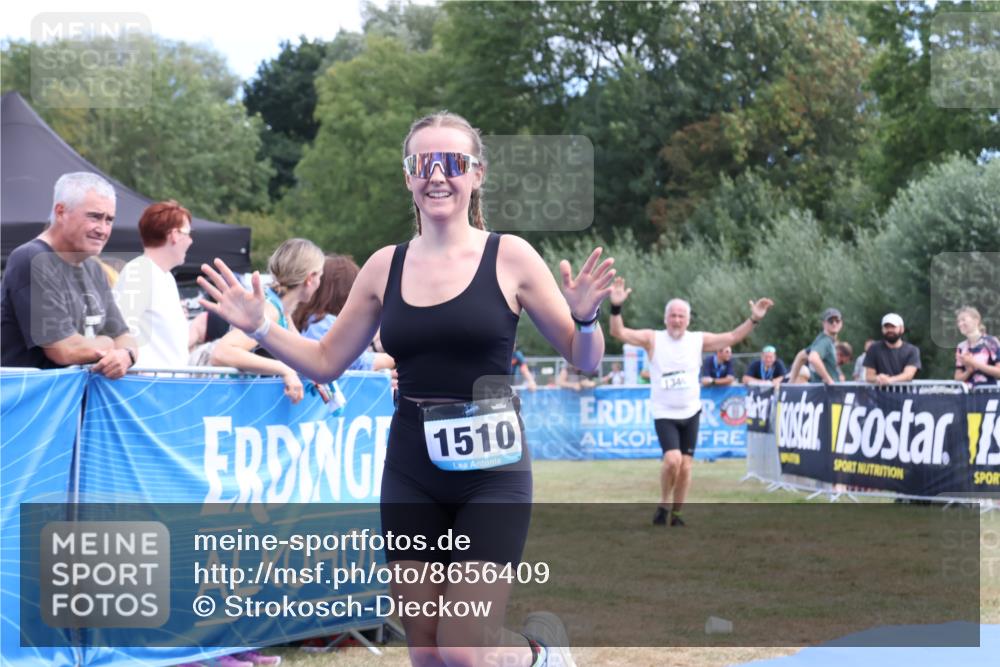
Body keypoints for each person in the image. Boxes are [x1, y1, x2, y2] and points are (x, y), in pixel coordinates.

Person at [198, 111, 615, 667]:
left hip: (492, 473)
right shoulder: (383, 266)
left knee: (461, 647)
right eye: (424, 163)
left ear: (477, 174)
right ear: (408, 176)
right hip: (412, 468)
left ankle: (540, 655)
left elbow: (584, 359)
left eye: (452, 162)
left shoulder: (510, 256)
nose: (437, 175)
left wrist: (585, 318)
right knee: (426, 650)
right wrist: (260, 328)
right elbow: (325, 362)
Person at [608, 278, 773, 527]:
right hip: (665, 412)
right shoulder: (653, 339)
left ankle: (676, 514)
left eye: (681, 316)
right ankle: (664, 503)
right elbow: (618, 332)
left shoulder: (697, 340)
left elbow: (731, 336)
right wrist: (616, 307)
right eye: (673, 316)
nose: (676, 320)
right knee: (672, 460)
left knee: (685, 466)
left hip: (691, 412)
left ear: (688, 320)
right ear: (665, 319)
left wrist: (754, 319)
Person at [0, 172, 136, 378]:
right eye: (94, 216)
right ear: (61, 212)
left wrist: (126, 355)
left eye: (109, 220)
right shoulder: (32, 259)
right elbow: (64, 350)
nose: (103, 229)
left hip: (76, 397)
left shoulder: (94, 269)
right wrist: (109, 345)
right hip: (35, 397)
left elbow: (124, 337)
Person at [209, 239, 325, 404]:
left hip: (246, 405)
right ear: (310, 278)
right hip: (236, 405)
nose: (320, 283)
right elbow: (221, 353)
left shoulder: (282, 310)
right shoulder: (270, 308)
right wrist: (285, 370)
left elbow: (301, 356)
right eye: (320, 276)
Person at [114, 201, 195, 369]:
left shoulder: (165, 277)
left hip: (164, 381)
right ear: (175, 235)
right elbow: (121, 333)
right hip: (145, 382)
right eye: (188, 234)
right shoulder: (139, 271)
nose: (190, 241)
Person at [292, 254, 394, 371]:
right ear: (345, 291)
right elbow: (360, 364)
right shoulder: (325, 323)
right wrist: (400, 354)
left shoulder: (309, 320)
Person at [864, 313, 920, 386]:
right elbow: (869, 376)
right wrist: (878, 378)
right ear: (882, 329)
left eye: (893, 327)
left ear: (902, 329)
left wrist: (890, 380)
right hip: (878, 392)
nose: (890, 330)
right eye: (886, 327)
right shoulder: (873, 349)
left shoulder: (912, 350)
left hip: (904, 392)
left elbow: (908, 375)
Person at [954, 306, 1000, 386]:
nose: (960, 324)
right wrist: (968, 371)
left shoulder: (991, 342)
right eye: (958, 321)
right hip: (967, 393)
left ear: (976, 320)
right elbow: (957, 378)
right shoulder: (961, 347)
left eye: (963, 320)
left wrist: (973, 362)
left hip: (988, 392)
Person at [806, 308, 844, 385]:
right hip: (824, 389)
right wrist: (829, 380)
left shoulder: (824, 339)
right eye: (831, 321)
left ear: (841, 323)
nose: (834, 323)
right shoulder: (825, 341)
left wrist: (792, 380)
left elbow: (801, 355)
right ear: (824, 323)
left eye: (837, 321)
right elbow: (813, 358)